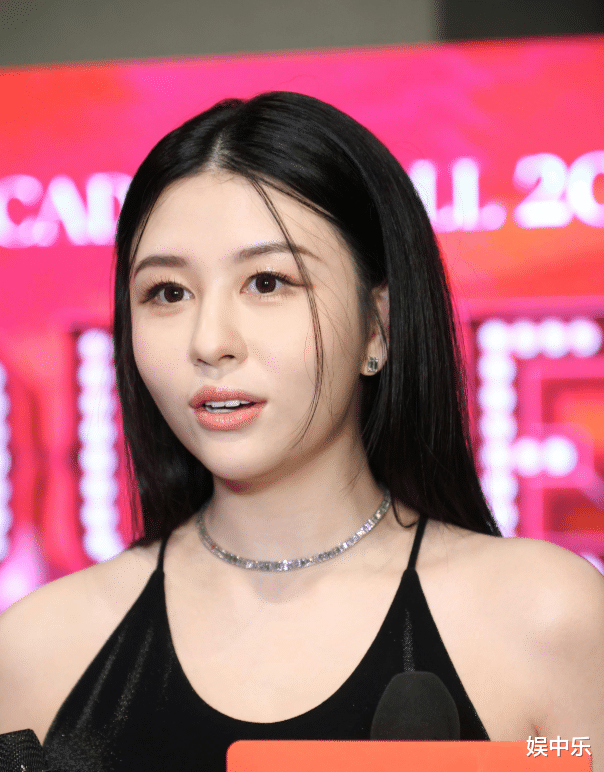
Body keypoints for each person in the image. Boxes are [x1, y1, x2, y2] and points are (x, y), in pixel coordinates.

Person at [0, 91, 603, 771]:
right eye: (168, 293)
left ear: (378, 325)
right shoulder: (38, 655)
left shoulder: (542, 621)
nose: (210, 341)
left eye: (267, 282)